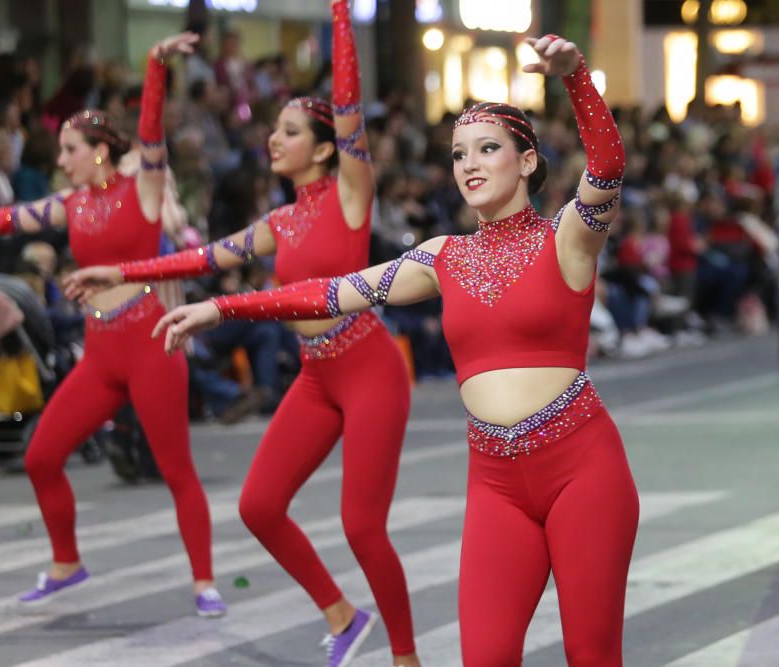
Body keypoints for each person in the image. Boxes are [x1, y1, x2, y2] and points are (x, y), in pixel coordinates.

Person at [151, 35, 639, 667]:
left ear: (526, 163)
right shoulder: (441, 257)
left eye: (488, 149)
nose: (470, 163)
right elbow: (330, 294)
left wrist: (574, 78)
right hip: (496, 484)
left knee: (590, 654)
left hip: (582, 468)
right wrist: (221, 307)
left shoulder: (568, 238)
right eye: (460, 153)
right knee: (485, 658)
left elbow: (606, 167)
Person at [64, 4, 419, 665]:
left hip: (370, 366)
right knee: (259, 505)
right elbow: (199, 260)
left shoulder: (351, 190)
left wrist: (341, 11)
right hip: (316, 372)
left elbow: (347, 101)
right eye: (273, 129)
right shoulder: (279, 221)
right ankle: (344, 616)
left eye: (288, 131)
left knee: (363, 525)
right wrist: (121, 267)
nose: (272, 139)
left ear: (323, 147)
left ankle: (406, 657)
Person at [0, 33, 224, 616]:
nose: (60, 160)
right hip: (101, 353)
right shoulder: (68, 205)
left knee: (177, 470)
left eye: (69, 148)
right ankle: (65, 562)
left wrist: (154, 65)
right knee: (40, 457)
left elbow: (151, 132)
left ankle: (205, 581)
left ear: (99, 150)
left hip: (152, 343)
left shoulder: (145, 187)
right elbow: (2, 220)